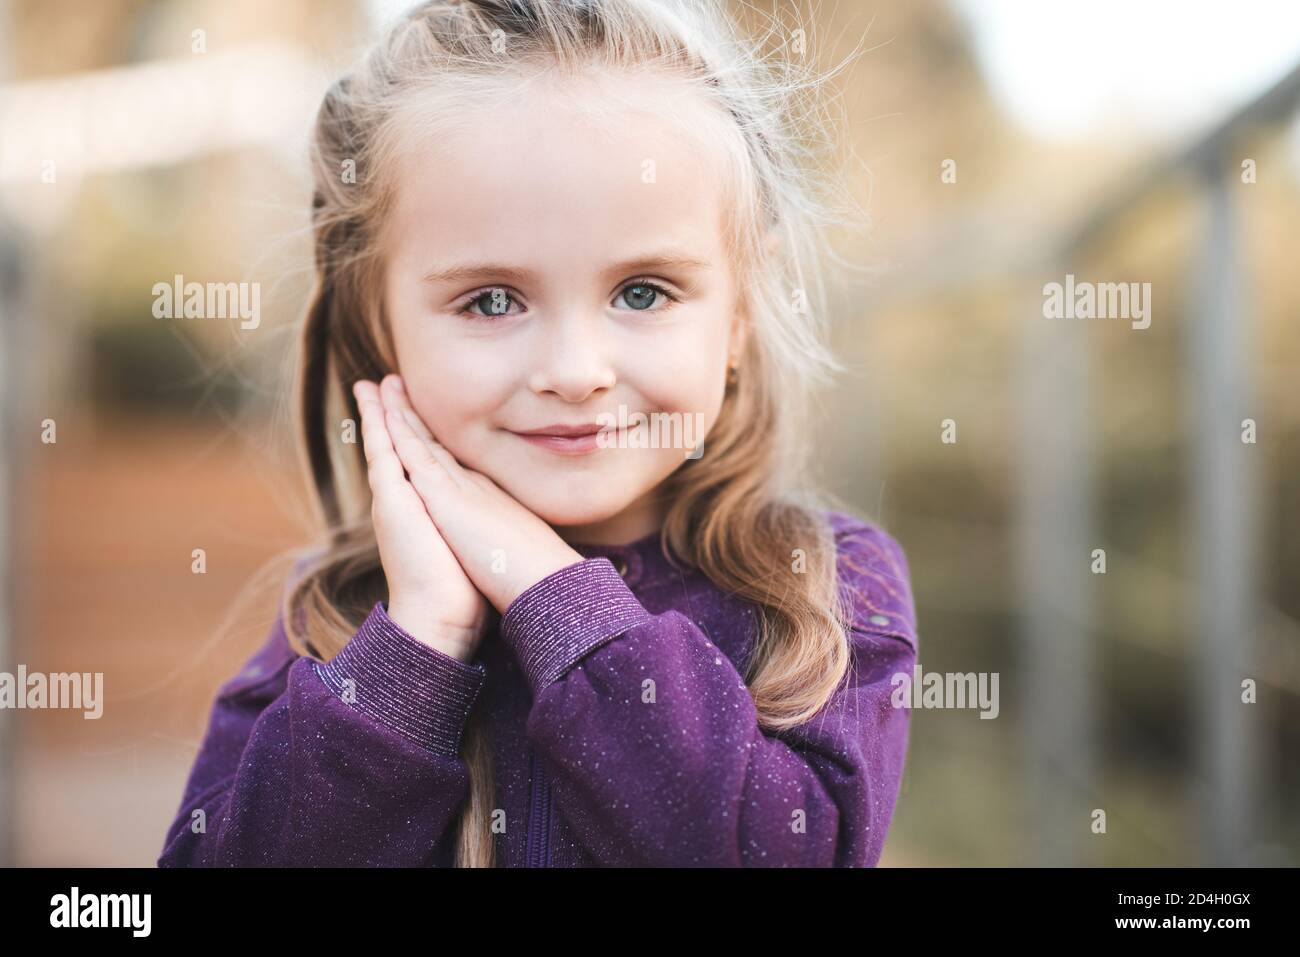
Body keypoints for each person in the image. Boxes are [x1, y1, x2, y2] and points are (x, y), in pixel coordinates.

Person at [158, 0, 918, 868]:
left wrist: (550, 593)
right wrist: (416, 649)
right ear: (379, 325)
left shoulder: (824, 589)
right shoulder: (334, 622)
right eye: (491, 299)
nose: (575, 368)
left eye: (643, 291)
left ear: (742, 311)